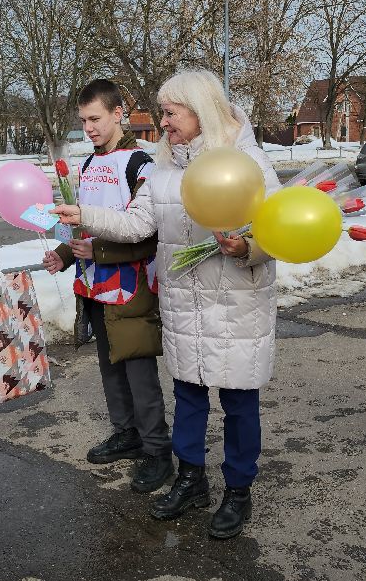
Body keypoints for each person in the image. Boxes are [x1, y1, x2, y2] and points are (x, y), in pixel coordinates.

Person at [54, 69, 280, 538]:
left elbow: (276, 228)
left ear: (200, 111)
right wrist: (85, 215)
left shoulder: (249, 160)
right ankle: (191, 478)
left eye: (171, 112)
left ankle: (238, 491)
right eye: (163, 112)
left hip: (236, 302)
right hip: (184, 302)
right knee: (190, 396)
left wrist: (248, 248)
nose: (163, 121)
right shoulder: (163, 168)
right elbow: (137, 224)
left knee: (239, 402)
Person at [43, 79, 173, 492]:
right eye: (83, 121)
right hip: (93, 287)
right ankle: (126, 433)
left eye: (96, 118)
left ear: (119, 114)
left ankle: (157, 452)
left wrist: (94, 253)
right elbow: (82, 228)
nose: (89, 128)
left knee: (138, 372)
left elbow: (148, 235)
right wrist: (64, 256)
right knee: (110, 368)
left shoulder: (141, 166)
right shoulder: (84, 166)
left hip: (131, 288)